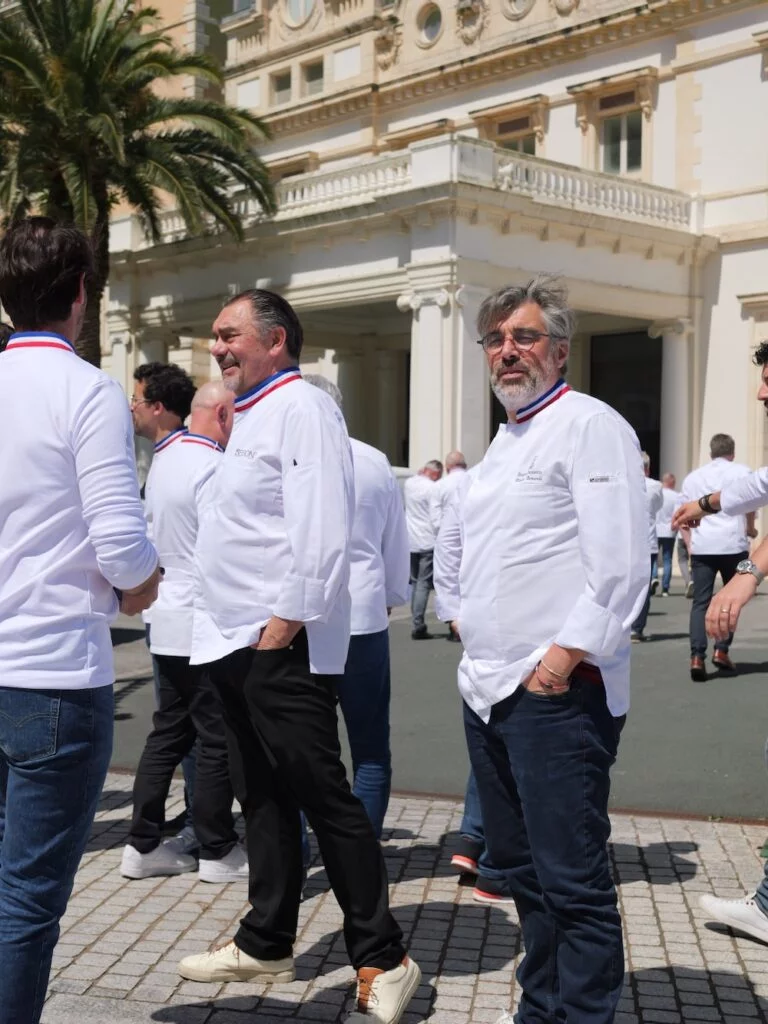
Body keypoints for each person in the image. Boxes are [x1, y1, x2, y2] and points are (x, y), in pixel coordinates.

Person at [179, 290, 420, 1024]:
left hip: (277, 640)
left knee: (324, 796)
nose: (217, 346)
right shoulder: (249, 415)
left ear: (276, 339)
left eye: (230, 334)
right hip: (229, 639)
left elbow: (323, 523)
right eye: (216, 336)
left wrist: (286, 621)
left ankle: (384, 956)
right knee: (262, 795)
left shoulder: (304, 407)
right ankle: (266, 940)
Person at [458, 275, 648, 1024]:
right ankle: (541, 1009)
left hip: (557, 696)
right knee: (524, 877)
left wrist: (558, 664)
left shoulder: (590, 425)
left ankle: (582, 1015)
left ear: (560, 351)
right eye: (496, 340)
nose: (508, 351)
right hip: (488, 692)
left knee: (573, 883)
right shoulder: (505, 439)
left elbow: (621, 566)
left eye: (525, 337)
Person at [0, 217, 160, 1023]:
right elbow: (122, 544)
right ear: (79, 296)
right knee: (25, 901)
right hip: (54, 671)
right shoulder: (87, 389)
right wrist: (143, 585)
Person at [121, 381, 249, 883]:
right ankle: (217, 849)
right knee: (214, 737)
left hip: (168, 614)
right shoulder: (212, 464)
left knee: (169, 732)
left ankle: (142, 842)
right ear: (222, 414)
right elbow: (222, 551)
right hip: (201, 618)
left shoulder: (167, 458)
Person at [672, 342, 768, 943]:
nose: (761, 392)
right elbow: (760, 485)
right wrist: (703, 504)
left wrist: (747, 575)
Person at [304, 375, 410, 838]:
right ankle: (361, 853)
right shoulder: (373, 460)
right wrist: (389, 596)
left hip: (304, 618)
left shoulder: (288, 459)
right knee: (370, 748)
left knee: (306, 747)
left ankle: (302, 850)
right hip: (363, 613)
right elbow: (395, 540)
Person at [131, 361, 200, 852]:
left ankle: (194, 822)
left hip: (183, 611)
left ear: (158, 407)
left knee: (181, 728)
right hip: (171, 610)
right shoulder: (169, 456)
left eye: (136, 400)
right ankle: (196, 821)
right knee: (184, 728)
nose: (131, 408)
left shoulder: (185, 458)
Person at [677, 434, 757, 681]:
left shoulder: (693, 477)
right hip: (734, 544)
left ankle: (696, 656)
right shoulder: (742, 471)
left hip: (703, 545)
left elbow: (682, 516)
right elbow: (750, 504)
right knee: (732, 600)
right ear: (732, 452)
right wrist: (750, 528)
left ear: (711, 452)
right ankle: (721, 650)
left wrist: (690, 545)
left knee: (700, 602)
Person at [431, 451, 468, 642]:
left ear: (446, 468)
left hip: (448, 537)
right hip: (471, 540)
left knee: (450, 578)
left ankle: (454, 622)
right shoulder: (474, 479)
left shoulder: (440, 486)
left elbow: (435, 519)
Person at [404, 460, 443, 639]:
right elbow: (435, 517)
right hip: (428, 540)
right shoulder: (433, 488)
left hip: (411, 539)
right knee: (423, 584)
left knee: (415, 582)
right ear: (435, 473)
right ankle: (418, 624)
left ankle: (416, 620)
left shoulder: (409, 483)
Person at [630, 454, 664, 642]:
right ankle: (637, 629)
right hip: (647, 541)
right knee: (643, 589)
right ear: (648, 468)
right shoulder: (656, 486)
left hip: (626, 542)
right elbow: (657, 507)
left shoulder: (624, 484)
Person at [655, 472, 681, 596]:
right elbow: (677, 513)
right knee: (667, 559)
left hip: (655, 529)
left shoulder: (656, 493)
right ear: (671, 482)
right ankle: (665, 588)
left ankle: (653, 578)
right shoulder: (676, 496)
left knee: (653, 558)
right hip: (669, 531)